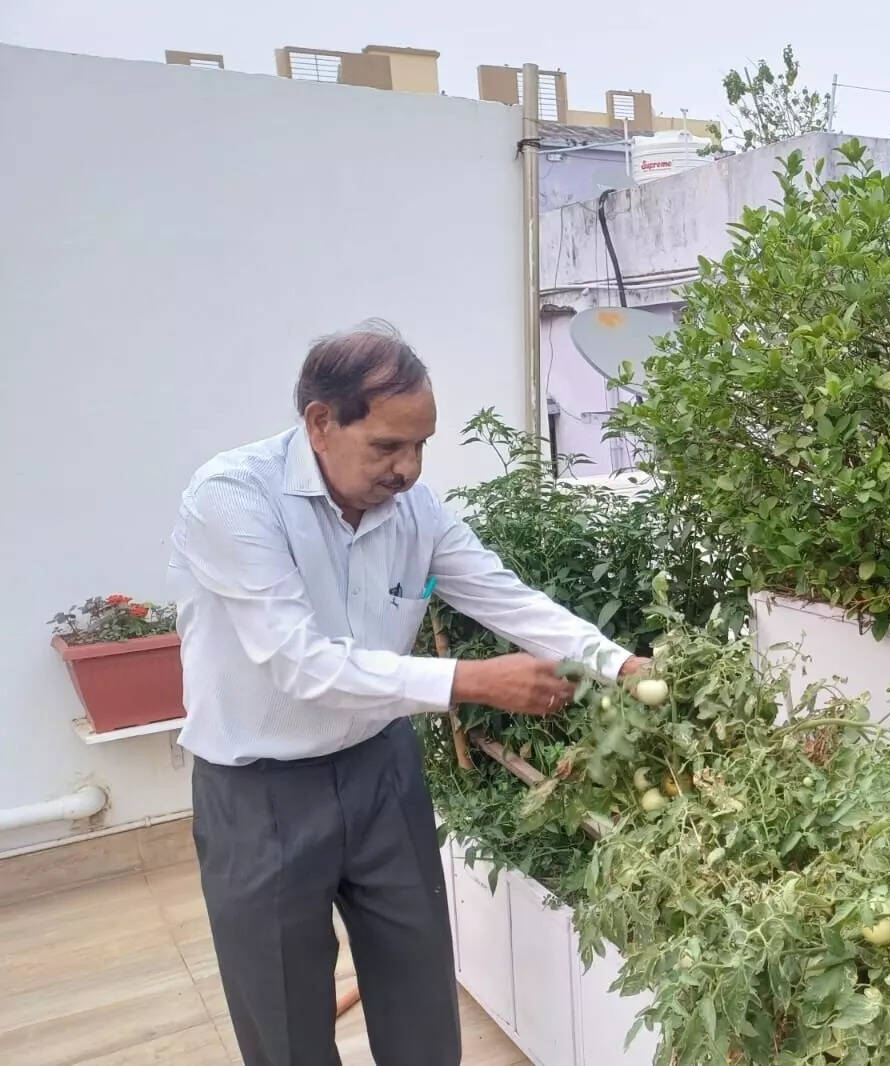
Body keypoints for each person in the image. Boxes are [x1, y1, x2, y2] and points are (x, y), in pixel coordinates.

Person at [168, 321, 645, 1066]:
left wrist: (618, 664)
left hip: (380, 769)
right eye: (388, 446)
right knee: (285, 1023)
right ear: (320, 422)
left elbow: (504, 596)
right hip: (259, 792)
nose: (409, 469)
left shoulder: (414, 511)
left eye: (421, 445)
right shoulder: (233, 499)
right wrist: (471, 681)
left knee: (420, 994)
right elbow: (300, 664)